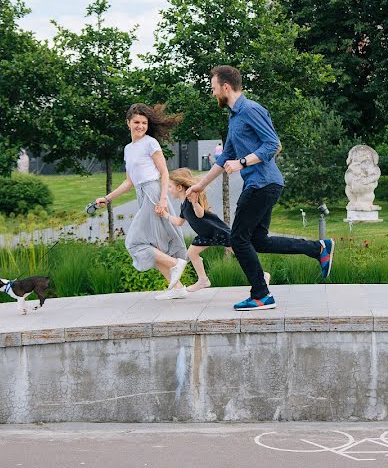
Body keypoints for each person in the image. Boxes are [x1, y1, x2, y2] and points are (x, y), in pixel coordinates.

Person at [186, 65, 334, 311]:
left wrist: (243, 162)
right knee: (257, 240)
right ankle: (318, 248)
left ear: (225, 87)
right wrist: (199, 185)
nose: (213, 94)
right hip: (261, 184)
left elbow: (272, 145)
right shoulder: (234, 117)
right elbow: (226, 157)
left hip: (262, 182)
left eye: (213, 89)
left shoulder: (251, 109)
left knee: (238, 238)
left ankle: (261, 294)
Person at [96, 103, 189, 300]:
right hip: (142, 194)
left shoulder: (150, 143)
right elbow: (129, 182)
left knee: (134, 243)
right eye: (136, 122)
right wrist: (107, 198)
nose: (140, 126)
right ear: (128, 122)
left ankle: (176, 264)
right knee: (153, 246)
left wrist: (162, 200)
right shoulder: (128, 149)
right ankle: (177, 288)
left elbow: (164, 173)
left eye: (144, 123)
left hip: (153, 194)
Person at [162, 168, 270, 293]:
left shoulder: (190, 199)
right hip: (206, 235)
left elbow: (200, 214)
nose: (168, 190)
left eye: (170, 187)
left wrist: (195, 202)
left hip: (218, 232)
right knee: (192, 253)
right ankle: (203, 280)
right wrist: (164, 214)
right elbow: (179, 222)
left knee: (241, 253)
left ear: (179, 187)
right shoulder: (183, 205)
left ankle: (262, 275)